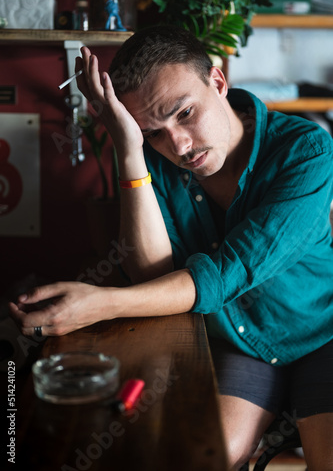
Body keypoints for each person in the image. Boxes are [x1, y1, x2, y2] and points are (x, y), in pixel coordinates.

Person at [9, 26, 333, 470]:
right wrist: (129, 147)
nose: (178, 145)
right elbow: (150, 274)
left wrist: (105, 303)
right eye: (154, 132)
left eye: (184, 113)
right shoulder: (157, 161)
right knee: (205, 456)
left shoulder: (305, 149)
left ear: (218, 83)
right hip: (237, 343)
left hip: (321, 336)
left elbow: (227, 272)